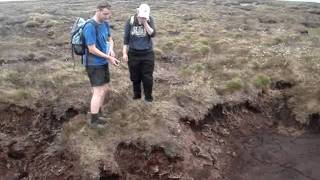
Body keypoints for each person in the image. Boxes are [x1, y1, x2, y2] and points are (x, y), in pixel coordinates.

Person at [83, 1, 120, 128]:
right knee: (98, 91)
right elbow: (91, 48)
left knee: (104, 89)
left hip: (103, 61)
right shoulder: (90, 26)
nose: (107, 16)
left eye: (109, 14)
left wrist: (111, 49)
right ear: (98, 11)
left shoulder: (105, 24)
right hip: (93, 64)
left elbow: (110, 39)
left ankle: (98, 114)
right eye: (105, 14)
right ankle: (94, 121)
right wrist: (109, 57)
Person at [123, 3, 156, 102]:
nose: (142, 18)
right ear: (138, 12)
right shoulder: (130, 20)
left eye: (144, 16)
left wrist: (145, 22)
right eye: (141, 16)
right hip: (133, 54)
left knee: (147, 77)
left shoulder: (150, 19)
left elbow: (153, 34)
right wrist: (125, 53)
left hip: (147, 54)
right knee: (135, 77)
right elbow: (126, 39)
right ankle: (137, 96)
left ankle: (148, 98)